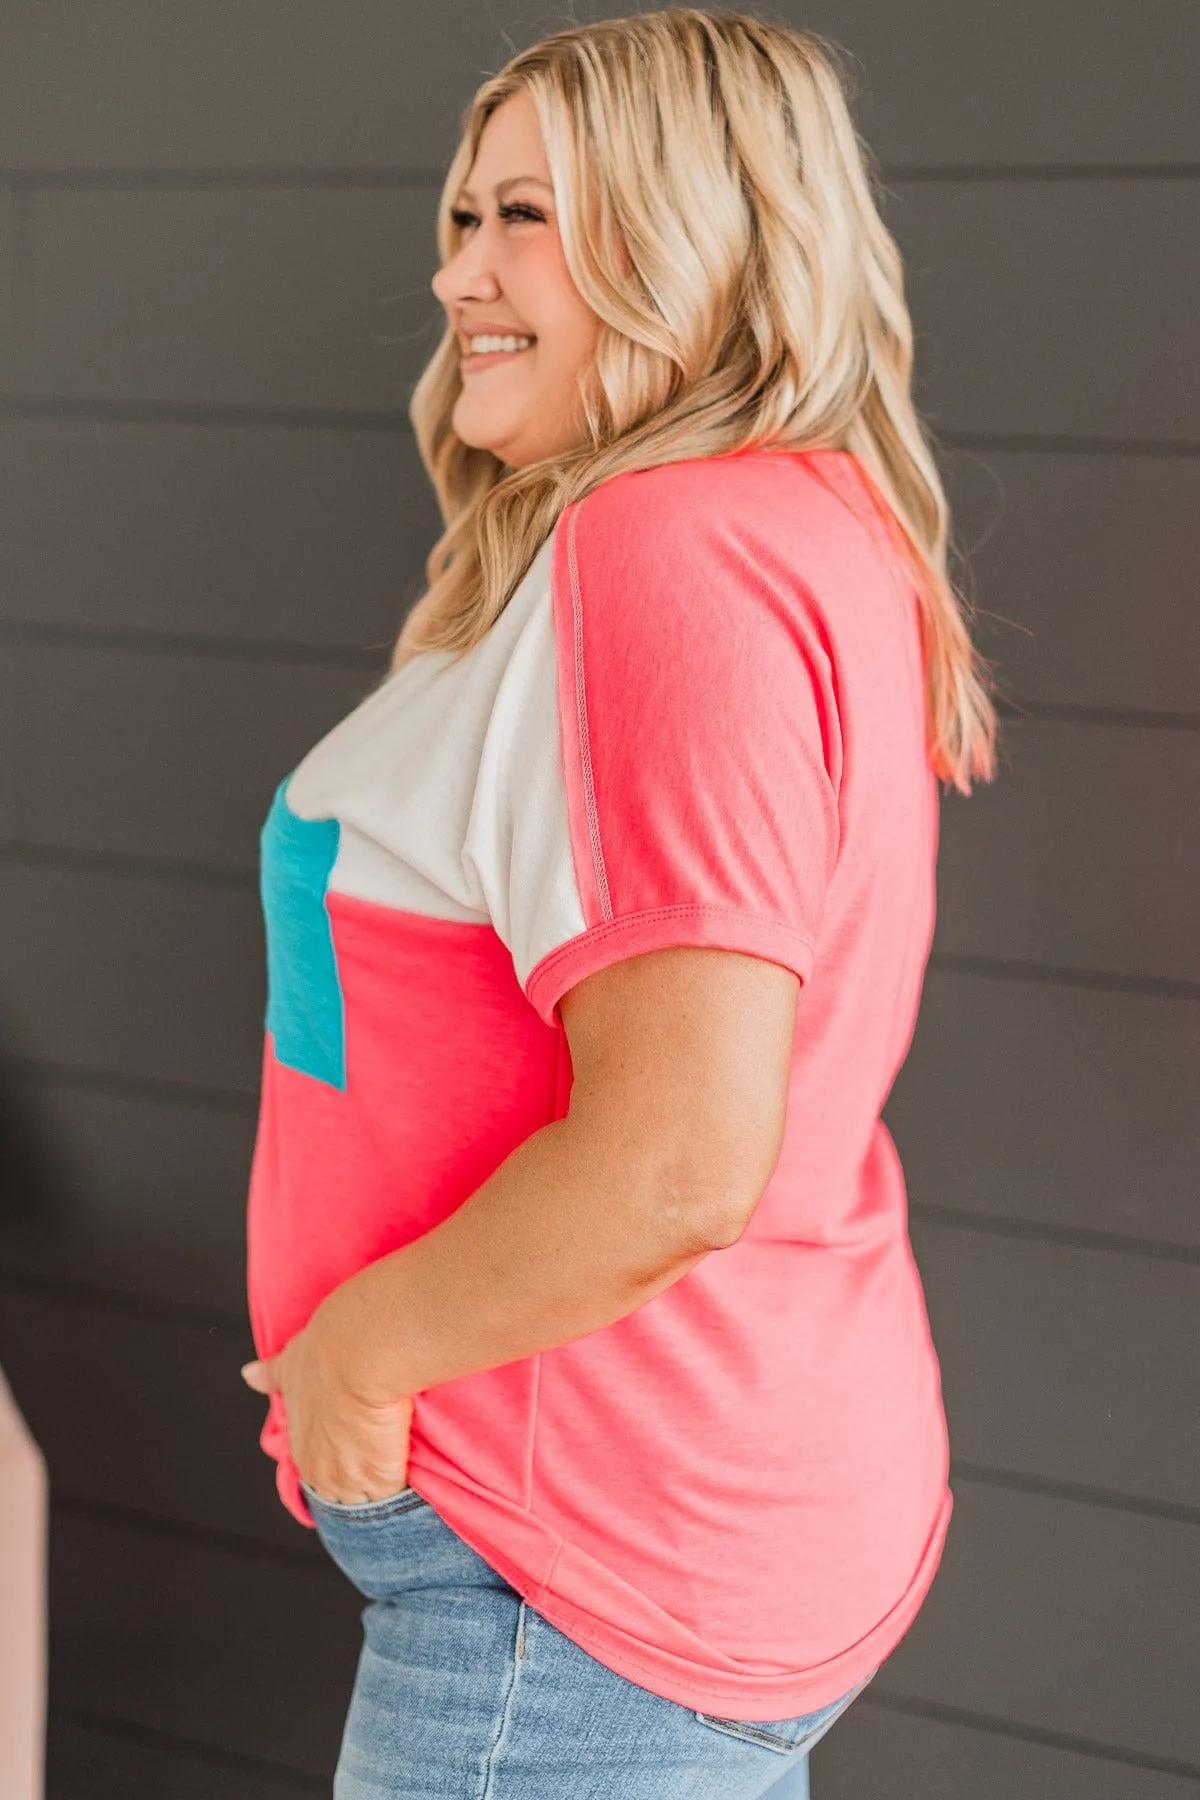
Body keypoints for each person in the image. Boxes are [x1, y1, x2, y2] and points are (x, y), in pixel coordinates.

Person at [239, 9, 1000, 1795]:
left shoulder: (669, 551)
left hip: (571, 1571)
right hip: (640, 1517)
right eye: (462, 217)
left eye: (524, 217)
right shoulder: (790, 521)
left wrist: (360, 1355)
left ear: (693, 232)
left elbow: (679, 1158)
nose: (455, 275)